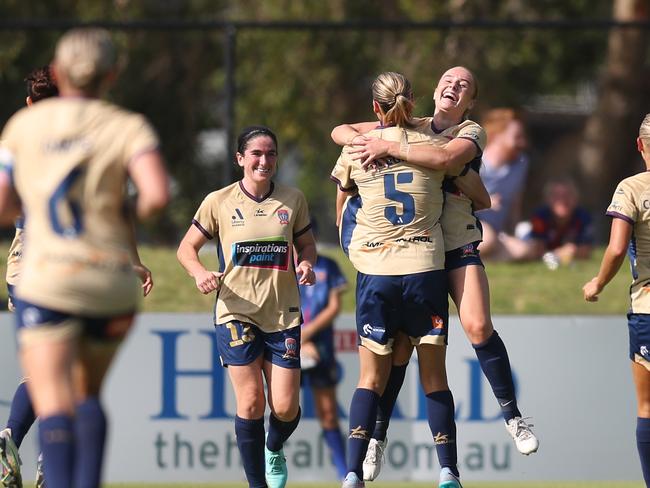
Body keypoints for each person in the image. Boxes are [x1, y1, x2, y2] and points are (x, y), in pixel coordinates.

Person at [331, 66, 538, 483]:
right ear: (434, 90)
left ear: (470, 101)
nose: (454, 86)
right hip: (414, 254)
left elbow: (460, 174)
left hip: (453, 245)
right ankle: (378, 437)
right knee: (402, 352)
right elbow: (341, 130)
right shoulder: (414, 125)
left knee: (477, 326)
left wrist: (388, 150)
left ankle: (513, 417)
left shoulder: (470, 132)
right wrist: (366, 140)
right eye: (448, 79)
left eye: (464, 85)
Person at [0, 28, 170, 488]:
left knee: (53, 396)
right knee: (88, 394)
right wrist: (118, 213)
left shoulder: (22, 127)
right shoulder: (127, 126)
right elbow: (156, 196)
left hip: (46, 278)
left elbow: (2, 205)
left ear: (58, 73)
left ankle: (26, 452)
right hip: (106, 281)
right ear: (112, 75)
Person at [332, 71, 474, 488]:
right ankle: (448, 471)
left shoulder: (356, 148)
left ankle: (353, 473)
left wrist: (354, 245)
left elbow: (342, 203)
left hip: (375, 273)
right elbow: (478, 194)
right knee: (434, 377)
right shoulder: (438, 146)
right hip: (424, 269)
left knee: (369, 380)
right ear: (414, 106)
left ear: (375, 108)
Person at [177, 125, 316, 488]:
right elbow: (185, 249)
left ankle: (274, 446)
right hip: (235, 311)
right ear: (240, 159)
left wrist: (306, 264)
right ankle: (257, 485)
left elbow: (307, 246)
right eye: (256, 153)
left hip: (282, 313)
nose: (264, 161)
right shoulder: (219, 201)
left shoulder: (292, 199)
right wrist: (198, 274)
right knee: (252, 400)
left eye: (270, 154)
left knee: (284, 407)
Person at [583, 113, 650, 487]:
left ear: (640, 145)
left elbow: (617, 247)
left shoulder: (632, 188)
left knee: (647, 408)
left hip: (647, 308)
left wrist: (597, 283)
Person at [0, 65, 59, 488]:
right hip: (62, 268)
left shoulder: (13, 141)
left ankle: (11, 442)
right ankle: (47, 459)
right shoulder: (82, 139)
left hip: (21, 270)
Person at [298, 219, 348, 481]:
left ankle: (346, 475)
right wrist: (297, 337)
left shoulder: (329, 266)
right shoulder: (282, 267)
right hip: (286, 342)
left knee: (328, 412)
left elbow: (334, 307)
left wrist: (308, 334)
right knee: (279, 410)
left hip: (320, 346)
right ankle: (261, 472)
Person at [498, 178, 594, 267]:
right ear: (548, 199)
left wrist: (573, 251)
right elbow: (537, 248)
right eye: (556, 196)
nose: (562, 200)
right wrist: (559, 253)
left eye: (567, 195)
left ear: (575, 198)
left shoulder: (583, 217)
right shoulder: (541, 216)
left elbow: (586, 249)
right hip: (527, 240)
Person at [475, 108, 530, 259]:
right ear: (497, 136)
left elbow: (515, 202)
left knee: (523, 251)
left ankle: (480, 256)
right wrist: (485, 201)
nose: (522, 143)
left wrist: (514, 231)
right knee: (487, 240)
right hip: (470, 225)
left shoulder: (521, 163)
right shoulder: (475, 161)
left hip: (496, 232)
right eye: (517, 137)